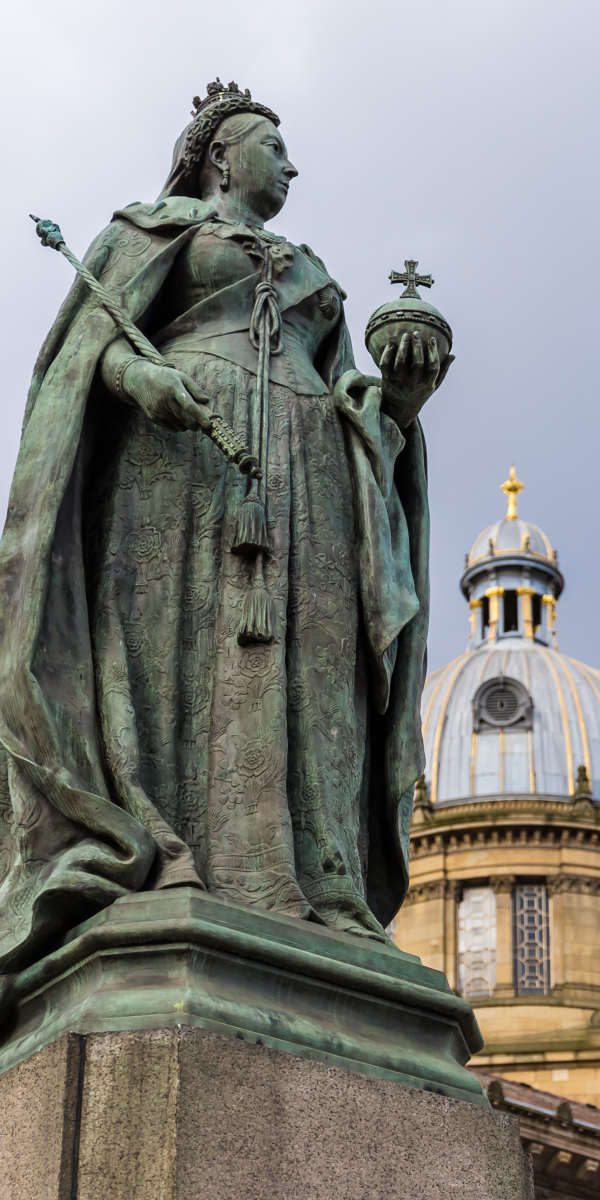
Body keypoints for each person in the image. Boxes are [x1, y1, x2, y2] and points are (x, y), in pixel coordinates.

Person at [0, 81, 449, 971]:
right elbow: (88, 353)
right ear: (220, 156)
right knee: (176, 656)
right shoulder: (151, 232)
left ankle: (320, 885)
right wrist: (144, 381)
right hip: (177, 467)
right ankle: (172, 857)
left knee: (316, 670)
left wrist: (401, 400)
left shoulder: (311, 267)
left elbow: (356, 399)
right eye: (271, 146)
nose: (289, 164)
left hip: (311, 479)